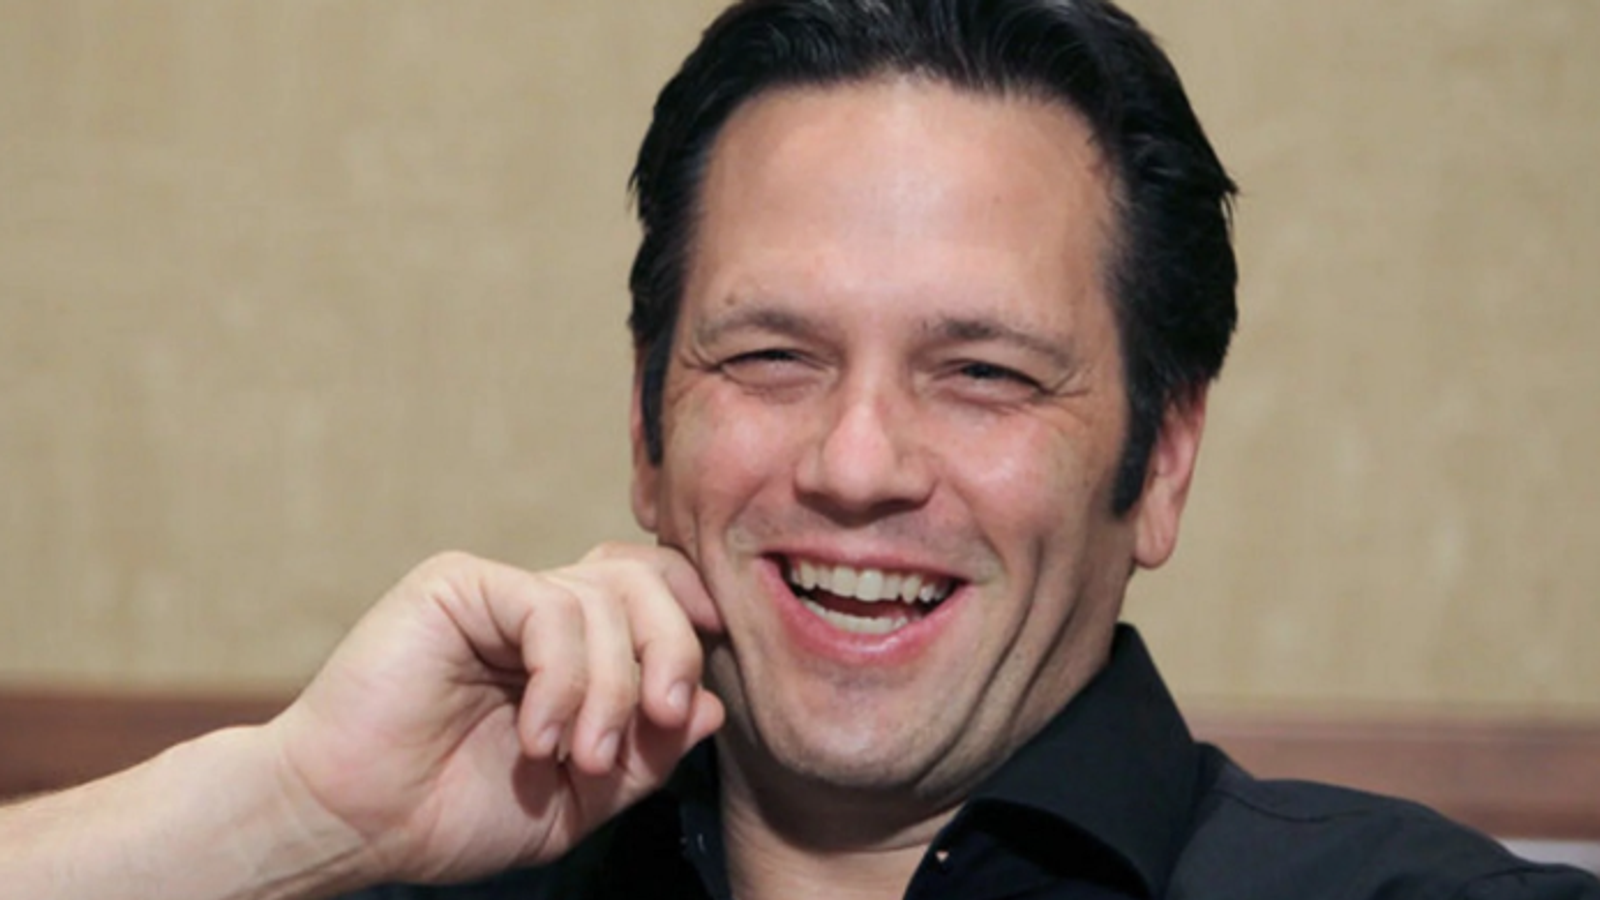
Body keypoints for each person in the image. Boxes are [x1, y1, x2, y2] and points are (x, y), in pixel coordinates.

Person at [3, 1, 1596, 898]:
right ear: (647, 425)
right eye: (771, 356)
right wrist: (295, 809)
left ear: (1163, 462)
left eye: (983, 374)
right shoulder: (387, 864)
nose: (854, 461)